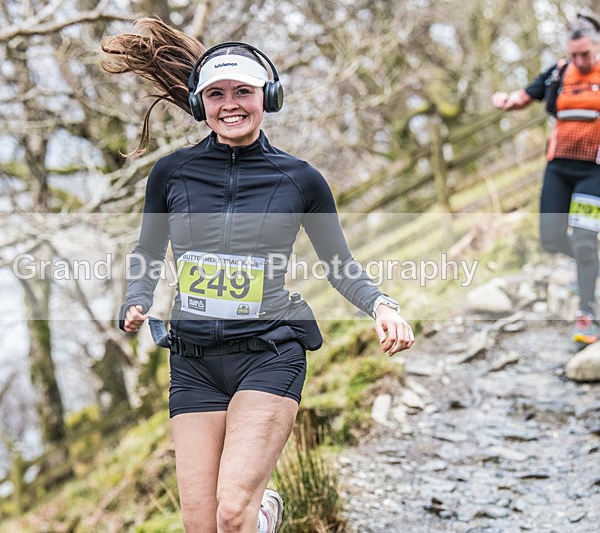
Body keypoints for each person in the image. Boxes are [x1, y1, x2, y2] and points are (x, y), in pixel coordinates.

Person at [100, 18, 415, 533]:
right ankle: (257, 514)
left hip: (268, 354)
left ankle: (259, 511)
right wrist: (136, 298)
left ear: (267, 96)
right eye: (217, 94)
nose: (230, 104)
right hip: (193, 364)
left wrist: (382, 305)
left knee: (232, 513)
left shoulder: (301, 179)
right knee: (203, 527)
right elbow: (147, 253)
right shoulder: (171, 174)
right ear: (200, 103)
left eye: (243, 92)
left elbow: (339, 263)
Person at [491, 15, 600, 345]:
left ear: (597, 46)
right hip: (558, 169)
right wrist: (506, 100)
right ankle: (591, 263)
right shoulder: (559, 72)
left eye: (585, 54)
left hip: (598, 170)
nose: (579, 60)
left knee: (585, 239)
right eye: (573, 54)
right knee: (550, 238)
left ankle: (586, 313)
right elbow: (525, 96)